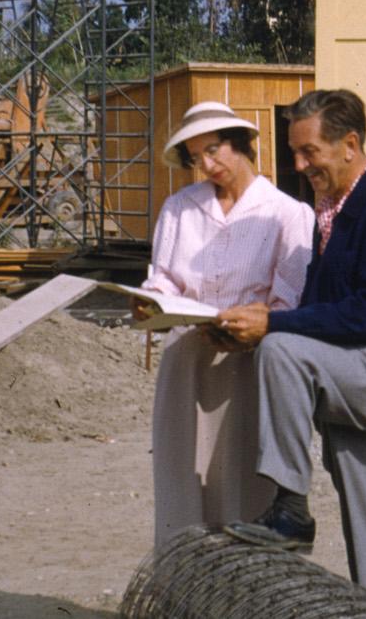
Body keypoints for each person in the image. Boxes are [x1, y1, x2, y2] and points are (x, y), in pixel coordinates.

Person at [214, 89, 366, 604]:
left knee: (281, 349)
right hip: (354, 367)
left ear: (349, 144)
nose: (298, 164)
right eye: (295, 152)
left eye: (308, 152)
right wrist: (247, 323)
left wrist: (273, 326)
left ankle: (291, 509)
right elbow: (320, 305)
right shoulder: (335, 207)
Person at [140, 101, 314, 546]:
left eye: (215, 150)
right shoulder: (180, 208)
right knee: (183, 469)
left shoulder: (285, 212)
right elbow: (163, 278)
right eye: (197, 157)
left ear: (241, 146)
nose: (208, 164)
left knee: (239, 472)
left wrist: (253, 324)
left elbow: (289, 298)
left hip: (247, 361)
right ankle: (184, 577)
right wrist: (150, 303)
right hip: (188, 357)